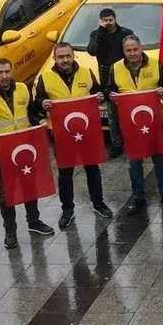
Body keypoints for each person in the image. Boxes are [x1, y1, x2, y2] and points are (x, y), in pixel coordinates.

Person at [0, 59, 55, 249]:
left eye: (7, 71)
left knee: (29, 186)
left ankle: (34, 221)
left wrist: (39, 121)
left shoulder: (23, 89)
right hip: (1, 151)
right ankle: (10, 231)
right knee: (7, 193)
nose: (4, 76)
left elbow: (31, 113)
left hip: (25, 148)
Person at [32, 42, 114, 229]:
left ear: (73, 56)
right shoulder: (45, 78)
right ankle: (67, 209)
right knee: (65, 173)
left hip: (86, 131)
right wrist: (41, 104)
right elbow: (36, 103)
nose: (65, 60)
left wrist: (100, 96)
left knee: (92, 168)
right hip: (61, 134)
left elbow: (98, 92)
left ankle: (98, 203)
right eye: (61, 57)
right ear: (55, 59)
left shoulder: (86, 72)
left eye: (68, 56)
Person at [108, 35, 163, 215]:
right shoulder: (115, 68)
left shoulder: (155, 64)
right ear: (124, 51)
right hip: (131, 125)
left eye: (135, 49)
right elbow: (109, 89)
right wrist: (112, 96)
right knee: (135, 164)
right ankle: (138, 199)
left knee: (159, 161)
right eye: (128, 50)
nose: (132, 53)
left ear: (141, 48)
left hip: (153, 122)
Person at [87, 8, 134, 158]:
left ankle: (131, 140)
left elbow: (133, 51)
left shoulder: (125, 33)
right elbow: (92, 50)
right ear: (101, 21)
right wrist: (101, 32)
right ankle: (116, 144)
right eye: (105, 20)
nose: (108, 23)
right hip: (107, 77)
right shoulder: (96, 34)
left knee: (128, 111)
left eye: (110, 20)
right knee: (112, 113)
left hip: (125, 74)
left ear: (115, 19)